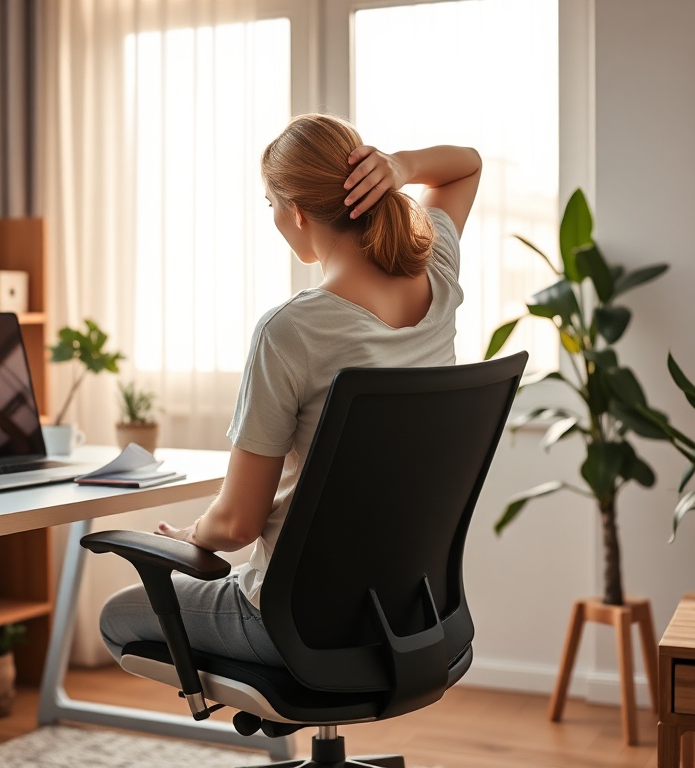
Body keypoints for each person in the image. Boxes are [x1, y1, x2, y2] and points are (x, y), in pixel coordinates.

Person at [99, 113, 481, 667]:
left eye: (270, 203)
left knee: (119, 617)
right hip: (410, 615)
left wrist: (191, 533)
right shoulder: (438, 273)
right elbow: (466, 165)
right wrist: (401, 166)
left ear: (297, 212)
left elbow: (235, 526)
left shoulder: (292, 331)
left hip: (293, 624)